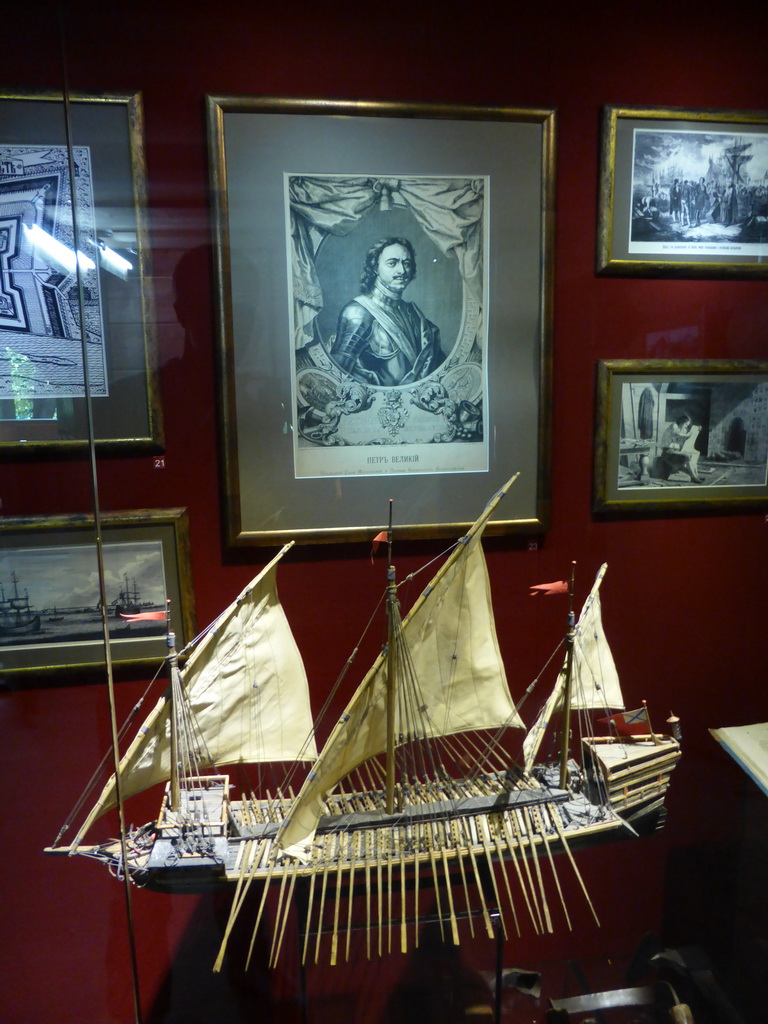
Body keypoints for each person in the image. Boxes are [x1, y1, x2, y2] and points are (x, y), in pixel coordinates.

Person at [330, 237, 444, 387]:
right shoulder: (357, 313)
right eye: (392, 263)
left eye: (406, 264)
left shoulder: (414, 315)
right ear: (375, 268)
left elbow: (439, 370)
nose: (402, 271)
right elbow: (335, 376)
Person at [660, 413, 703, 483]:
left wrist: (697, 429)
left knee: (693, 455)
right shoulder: (674, 426)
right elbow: (677, 434)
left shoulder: (683, 430)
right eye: (685, 424)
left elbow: (685, 439)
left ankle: (696, 476)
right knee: (687, 456)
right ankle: (694, 477)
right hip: (667, 452)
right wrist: (687, 435)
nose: (686, 426)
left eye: (687, 425)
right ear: (682, 422)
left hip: (675, 451)